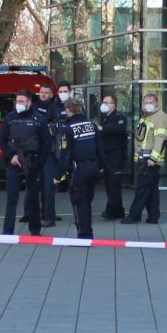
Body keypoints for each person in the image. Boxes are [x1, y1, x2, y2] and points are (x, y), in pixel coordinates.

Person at [0, 89, 47, 236]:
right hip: (14, 162)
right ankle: (8, 231)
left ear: (29, 103)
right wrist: (11, 155)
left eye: (21, 101)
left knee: (33, 197)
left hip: (32, 162)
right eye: (17, 101)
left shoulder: (39, 119)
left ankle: (35, 229)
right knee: (11, 197)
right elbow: (2, 140)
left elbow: (47, 143)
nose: (18, 104)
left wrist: (39, 162)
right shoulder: (9, 118)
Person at [55, 98, 104, 239]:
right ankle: (88, 231)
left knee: (78, 202)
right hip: (93, 167)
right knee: (87, 201)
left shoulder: (68, 128)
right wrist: (101, 166)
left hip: (79, 169)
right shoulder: (91, 125)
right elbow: (100, 147)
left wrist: (58, 176)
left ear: (68, 110)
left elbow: (65, 155)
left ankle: (84, 235)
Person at [122, 93, 167, 225]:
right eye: (145, 102)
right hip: (144, 159)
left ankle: (134, 216)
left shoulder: (160, 116)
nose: (148, 104)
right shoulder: (146, 116)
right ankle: (153, 216)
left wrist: (153, 159)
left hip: (150, 160)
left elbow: (160, 139)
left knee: (142, 189)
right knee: (152, 190)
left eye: (150, 102)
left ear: (156, 103)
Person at [21, 82, 56, 223]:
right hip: (34, 150)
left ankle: (48, 215)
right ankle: (28, 213)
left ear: (51, 94)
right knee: (31, 183)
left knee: (48, 186)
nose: (43, 94)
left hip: (49, 151)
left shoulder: (54, 108)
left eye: (46, 92)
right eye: (41, 92)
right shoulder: (34, 107)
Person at [39, 81, 71, 227]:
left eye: (65, 91)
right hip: (54, 150)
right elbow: (45, 126)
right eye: (61, 91)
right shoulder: (53, 107)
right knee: (49, 184)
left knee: (77, 184)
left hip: (71, 149)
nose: (63, 93)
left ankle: (81, 216)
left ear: (70, 92)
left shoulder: (76, 107)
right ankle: (48, 216)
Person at [98, 93, 128, 220]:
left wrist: (102, 128)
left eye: (107, 102)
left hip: (116, 156)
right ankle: (118, 210)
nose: (103, 105)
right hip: (107, 156)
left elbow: (118, 130)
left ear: (113, 105)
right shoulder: (105, 117)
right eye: (103, 102)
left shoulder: (119, 117)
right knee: (109, 184)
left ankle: (111, 211)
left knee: (114, 185)